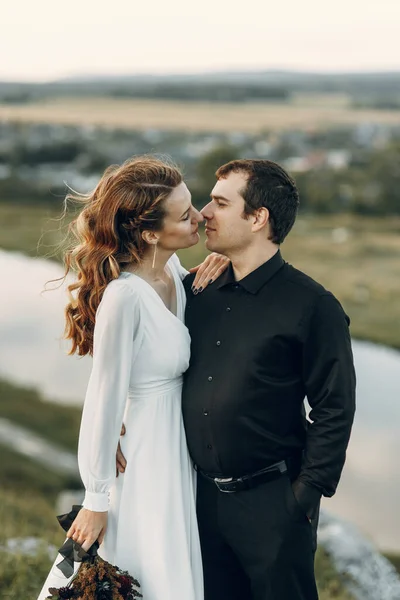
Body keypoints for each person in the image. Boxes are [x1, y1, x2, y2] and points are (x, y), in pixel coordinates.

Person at [117, 159, 356, 600]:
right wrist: (116, 422)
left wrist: (301, 499)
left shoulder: (312, 306)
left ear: (258, 218)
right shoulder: (196, 290)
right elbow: (143, 356)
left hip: (273, 503)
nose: (205, 212)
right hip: (198, 502)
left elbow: (334, 408)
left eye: (221, 203)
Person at [37, 156, 228, 600]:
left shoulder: (173, 273)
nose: (200, 216)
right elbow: (103, 399)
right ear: (149, 233)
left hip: (174, 446)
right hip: (143, 455)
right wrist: (97, 496)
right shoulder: (124, 298)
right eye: (185, 215)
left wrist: (215, 265)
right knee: (136, 562)